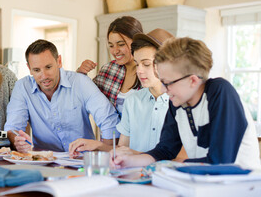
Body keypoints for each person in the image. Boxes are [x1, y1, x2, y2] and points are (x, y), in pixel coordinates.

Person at [111, 37, 260, 169]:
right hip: (204, 183)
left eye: (167, 83)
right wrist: (129, 161)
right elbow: (164, 150)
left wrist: (171, 166)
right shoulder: (177, 102)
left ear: (193, 80)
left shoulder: (220, 92)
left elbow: (220, 161)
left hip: (239, 187)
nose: (164, 89)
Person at [69, 29, 174, 156]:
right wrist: (96, 145)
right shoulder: (133, 101)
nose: (139, 71)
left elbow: (181, 159)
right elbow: (122, 149)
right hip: (134, 174)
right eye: (137, 64)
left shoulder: (180, 104)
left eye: (146, 64)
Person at [5, 39, 120, 152]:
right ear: (29, 69)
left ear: (59, 61)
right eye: (36, 70)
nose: (44, 76)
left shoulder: (80, 82)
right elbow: (12, 128)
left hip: (82, 161)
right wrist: (16, 140)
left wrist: (107, 153)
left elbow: (107, 118)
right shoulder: (22, 87)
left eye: (48, 67)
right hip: (45, 162)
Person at [77, 16, 143, 115]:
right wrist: (81, 73)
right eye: (111, 46)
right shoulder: (108, 70)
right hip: (110, 131)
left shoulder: (151, 72)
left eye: (121, 44)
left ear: (136, 41)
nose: (115, 51)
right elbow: (83, 98)